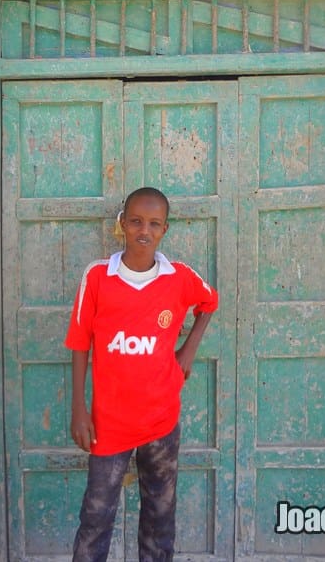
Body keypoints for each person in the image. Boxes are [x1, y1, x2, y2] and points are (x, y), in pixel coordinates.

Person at [64, 186, 218, 561]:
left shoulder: (179, 277)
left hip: (161, 423)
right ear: (123, 224)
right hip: (108, 425)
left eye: (153, 223)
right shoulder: (99, 276)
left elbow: (209, 301)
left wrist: (188, 351)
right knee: (96, 517)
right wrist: (79, 409)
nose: (143, 231)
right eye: (135, 221)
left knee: (159, 518)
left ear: (165, 229)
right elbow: (81, 342)